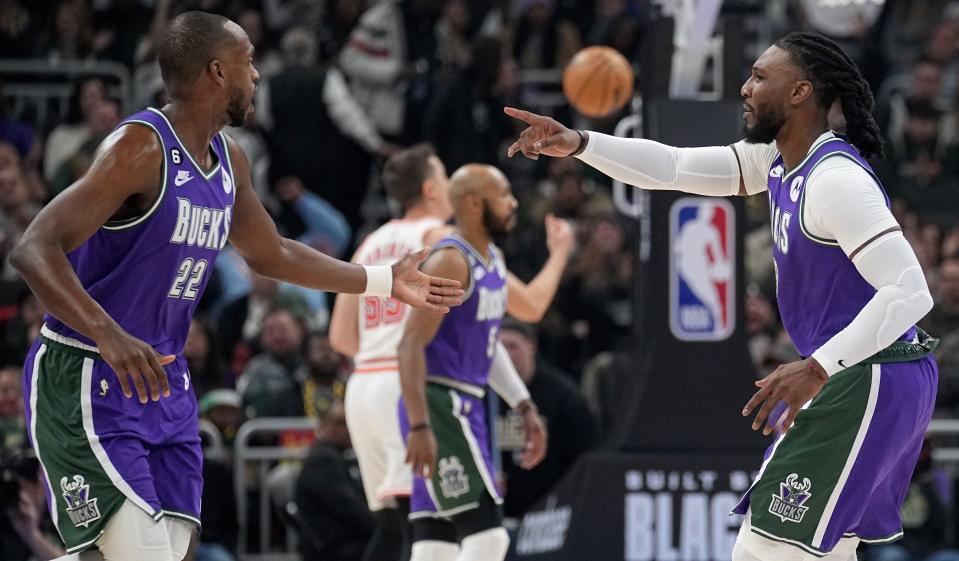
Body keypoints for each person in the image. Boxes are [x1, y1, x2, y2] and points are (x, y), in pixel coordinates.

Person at [8, 11, 462, 561]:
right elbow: (33, 248)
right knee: (142, 554)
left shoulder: (230, 160)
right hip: (87, 372)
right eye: (249, 64)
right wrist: (108, 333)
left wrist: (385, 280)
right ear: (217, 72)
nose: (258, 77)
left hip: (162, 379)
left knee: (160, 552)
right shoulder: (139, 148)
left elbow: (271, 253)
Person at [507, 31, 938, 561]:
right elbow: (671, 167)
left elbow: (911, 291)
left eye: (760, 77)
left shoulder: (835, 180)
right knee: (818, 553)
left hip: (867, 377)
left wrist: (818, 367)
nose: (745, 87)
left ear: (802, 91)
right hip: (863, 377)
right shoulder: (776, 164)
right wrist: (579, 143)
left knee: (764, 551)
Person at [329, 144, 572, 561]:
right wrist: (562, 252)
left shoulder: (371, 242)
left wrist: (522, 404)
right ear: (434, 189)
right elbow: (528, 304)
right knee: (479, 534)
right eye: (442, 174)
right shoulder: (444, 244)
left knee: (415, 532)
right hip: (418, 384)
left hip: (367, 379)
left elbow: (341, 338)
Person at [398, 164, 550, 561]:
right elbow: (410, 344)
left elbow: (489, 343)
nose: (514, 203)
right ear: (472, 203)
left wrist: (523, 404)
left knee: (436, 544)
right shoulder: (451, 261)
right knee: (489, 538)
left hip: (462, 403)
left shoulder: (492, 257)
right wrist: (419, 424)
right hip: (440, 405)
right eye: (504, 195)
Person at [495, 319, 598, 519]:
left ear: (531, 346)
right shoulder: (482, 392)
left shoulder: (563, 394)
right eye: (499, 348)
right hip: (497, 503)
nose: (506, 355)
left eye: (512, 346)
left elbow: (584, 451)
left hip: (549, 503)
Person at [294, 399, 375, 561]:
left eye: (349, 422)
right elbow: (352, 512)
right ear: (322, 426)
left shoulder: (335, 456)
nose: (347, 429)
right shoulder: (323, 461)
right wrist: (384, 528)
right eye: (339, 423)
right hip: (336, 550)